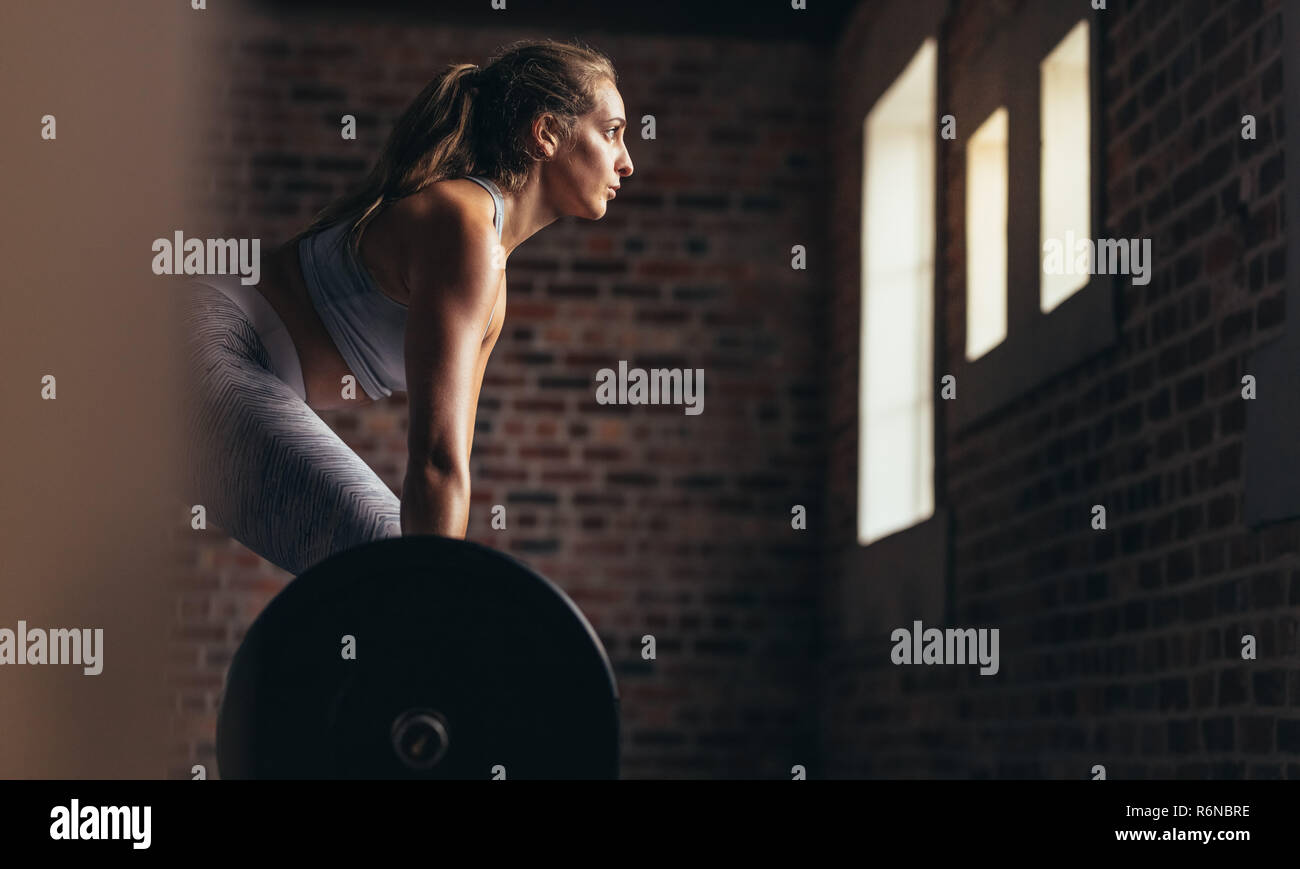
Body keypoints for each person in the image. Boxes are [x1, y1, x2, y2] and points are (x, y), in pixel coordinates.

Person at [179, 38, 634, 576]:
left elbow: (451, 464)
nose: (626, 162)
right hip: (205, 349)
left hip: (224, 363)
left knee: (405, 584)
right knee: (398, 578)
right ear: (546, 134)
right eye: (611, 133)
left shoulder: (488, 267)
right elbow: (436, 465)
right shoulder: (465, 228)